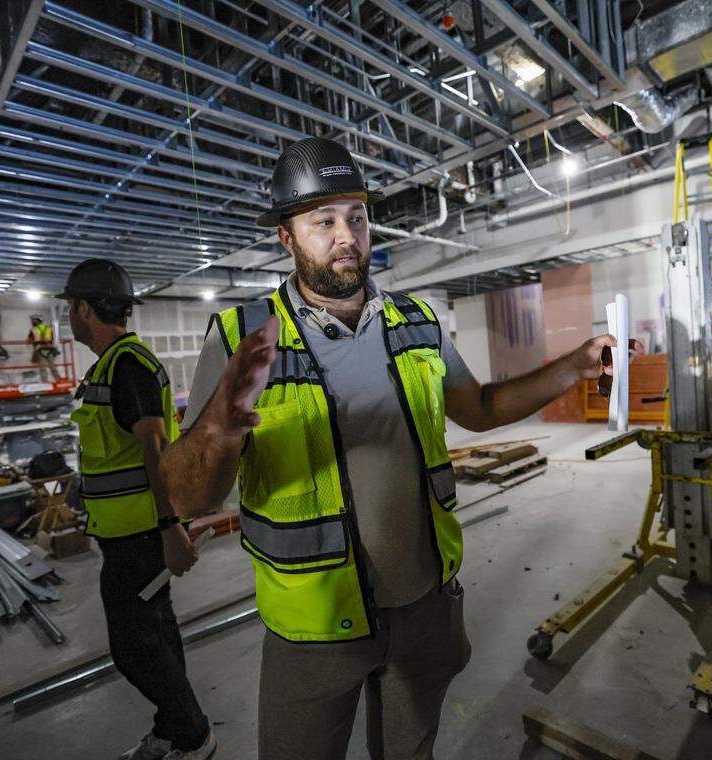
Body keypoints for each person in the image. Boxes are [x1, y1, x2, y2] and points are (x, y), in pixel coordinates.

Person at [161, 136, 643, 760]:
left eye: (357, 218)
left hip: (422, 611)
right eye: (324, 222)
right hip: (313, 631)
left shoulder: (415, 322)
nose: (347, 237)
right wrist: (216, 429)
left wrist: (575, 365)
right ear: (287, 238)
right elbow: (187, 495)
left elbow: (481, 408)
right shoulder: (240, 338)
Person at [58, 259, 216, 760]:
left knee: (133, 649)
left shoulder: (128, 365)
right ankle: (174, 731)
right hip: (129, 533)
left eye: (70, 308)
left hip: (142, 537)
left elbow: (155, 451)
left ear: (84, 309)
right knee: (157, 637)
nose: (68, 318)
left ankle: (193, 734)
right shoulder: (111, 366)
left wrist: (172, 529)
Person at [27, 314, 60, 381]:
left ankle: (45, 383)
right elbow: (53, 339)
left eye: (33, 320)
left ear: (38, 321)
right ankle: (59, 381)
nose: (32, 322)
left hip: (40, 350)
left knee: (43, 369)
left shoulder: (33, 330)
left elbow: (29, 341)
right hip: (50, 350)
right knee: (53, 367)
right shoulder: (48, 328)